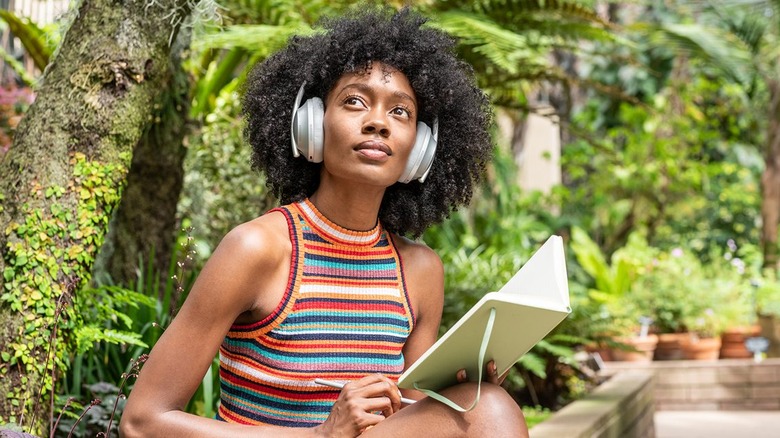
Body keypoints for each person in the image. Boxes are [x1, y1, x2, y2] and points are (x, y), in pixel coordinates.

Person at [121, 6, 528, 437]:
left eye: (401, 112)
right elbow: (144, 422)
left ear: (422, 148)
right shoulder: (259, 250)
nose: (377, 123)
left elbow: (412, 415)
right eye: (354, 101)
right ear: (310, 124)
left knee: (487, 405)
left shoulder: (419, 272)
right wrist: (320, 435)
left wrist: (461, 396)